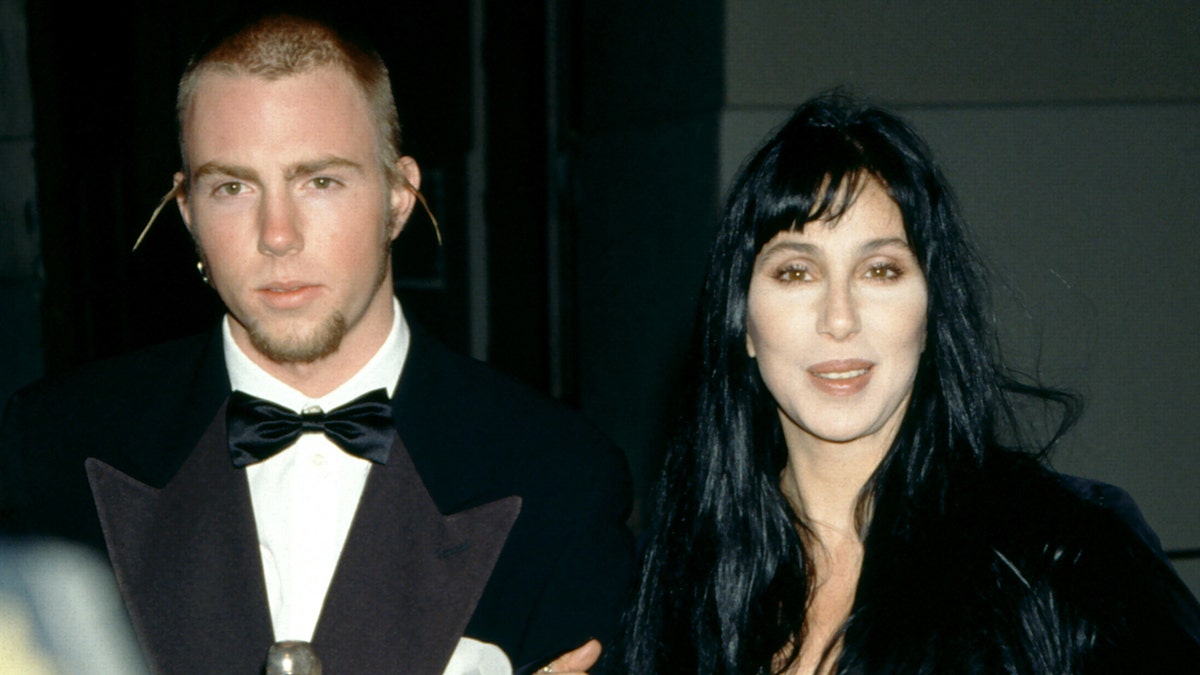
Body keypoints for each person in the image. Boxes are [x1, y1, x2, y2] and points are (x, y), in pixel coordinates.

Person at [0, 13, 632, 675]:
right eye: (233, 187)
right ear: (188, 213)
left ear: (398, 197)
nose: (278, 234)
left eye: (320, 181)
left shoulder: (560, 477)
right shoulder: (53, 450)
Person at [623, 94, 1200, 673]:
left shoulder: (1062, 551)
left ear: (929, 315)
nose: (839, 318)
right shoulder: (684, 568)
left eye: (880, 270)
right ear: (743, 322)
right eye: (796, 271)